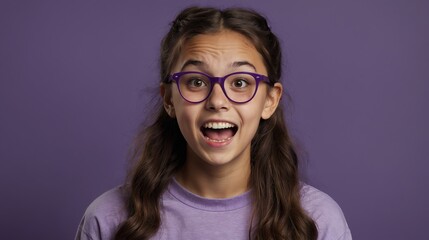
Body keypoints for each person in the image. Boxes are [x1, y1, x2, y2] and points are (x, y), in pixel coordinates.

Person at [75, 6, 352, 240]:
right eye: (196, 82)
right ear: (169, 99)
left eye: (241, 82)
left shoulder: (317, 221)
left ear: (270, 100)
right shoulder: (109, 219)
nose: (217, 100)